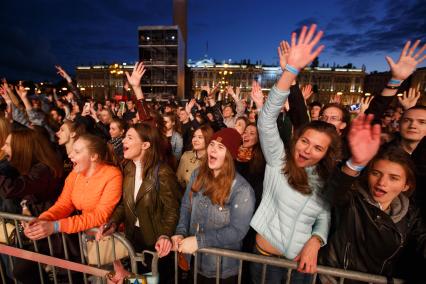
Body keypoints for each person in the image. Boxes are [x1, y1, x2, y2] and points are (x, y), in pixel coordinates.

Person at [250, 24, 341, 283]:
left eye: (318, 148)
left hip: (301, 265)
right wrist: (289, 71)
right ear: (296, 139)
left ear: (326, 154)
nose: (307, 150)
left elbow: (323, 214)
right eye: (305, 141)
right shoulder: (279, 159)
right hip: (264, 260)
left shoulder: (324, 177)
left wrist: (316, 240)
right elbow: (266, 120)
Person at [319, 114, 426, 283]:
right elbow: (333, 194)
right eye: (376, 174)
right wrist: (356, 162)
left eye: (394, 178)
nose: (382, 183)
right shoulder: (353, 198)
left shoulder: (411, 216)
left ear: (406, 185)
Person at [97, 122, 181, 284]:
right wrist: (113, 222)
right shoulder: (129, 168)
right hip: (133, 239)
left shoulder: (163, 172)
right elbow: (125, 203)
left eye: (129, 138)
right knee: (136, 280)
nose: (123, 141)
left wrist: (165, 235)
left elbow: (173, 210)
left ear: (145, 144)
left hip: (156, 244)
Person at [170, 127, 255, 283]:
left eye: (221, 147)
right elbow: (186, 207)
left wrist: (198, 241)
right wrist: (181, 232)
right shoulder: (197, 174)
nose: (213, 150)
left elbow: (237, 231)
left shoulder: (242, 190)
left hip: (221, 270)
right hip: (194, 262)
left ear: (230, 156)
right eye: (212, 144)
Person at [23, 134, 122, 238]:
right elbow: (64, 204)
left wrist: (56, 226)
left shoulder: (113, 175)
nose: (70, 155)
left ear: (93, 157)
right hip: (87, 235)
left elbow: (100, 216)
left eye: (77, 152)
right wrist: (43, 219)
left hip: (109, 237)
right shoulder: (74, 174)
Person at [176, 125, 214, 189]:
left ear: (208, 139)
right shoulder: (186, 155)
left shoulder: (212, 162)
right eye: (194, 136)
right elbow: (178, 178)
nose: (195, 140)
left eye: (200, 137)